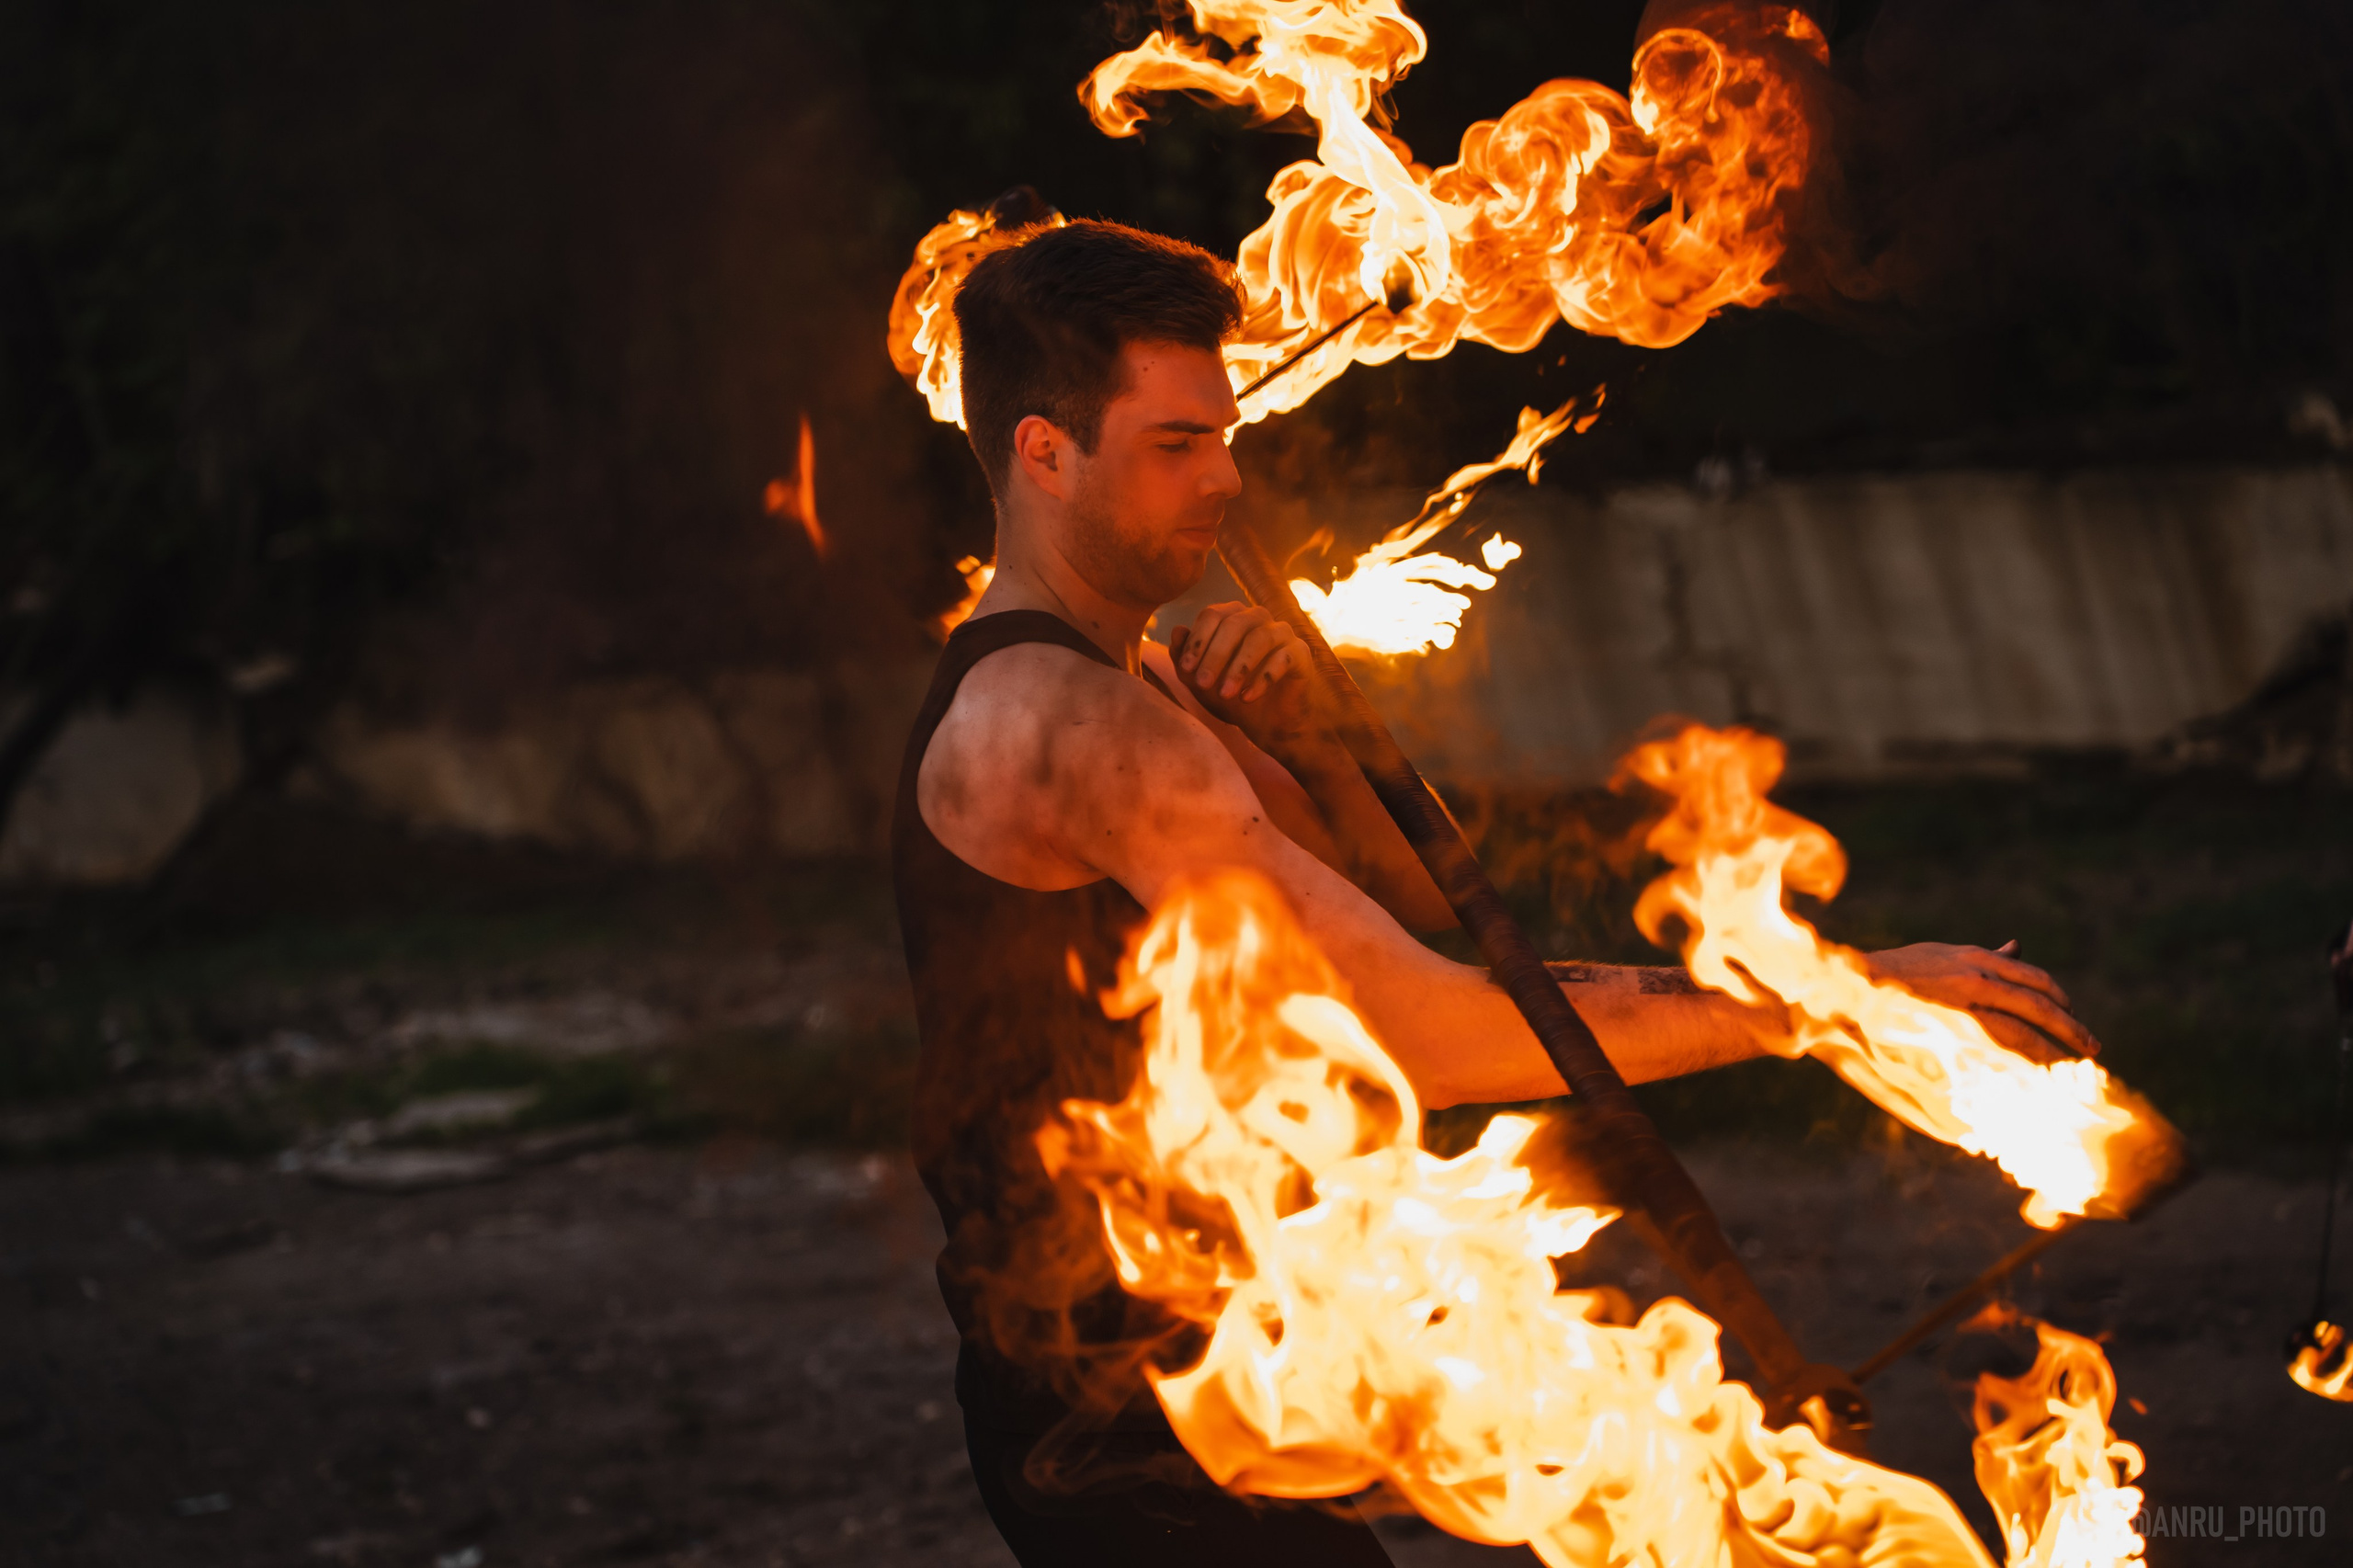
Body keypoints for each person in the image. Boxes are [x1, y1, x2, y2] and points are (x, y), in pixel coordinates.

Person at [890, 219, 2099, 1568]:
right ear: (1045, 453)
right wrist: (1840, 1003)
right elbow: (1429, 1030)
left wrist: (1320, 742)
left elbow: (1409, 895)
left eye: (1226, 433)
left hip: (1244, 1358)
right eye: (1177, 443)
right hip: (1128, 1408)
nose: (1228, 478)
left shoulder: (1148, 688)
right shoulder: (1062, 720)